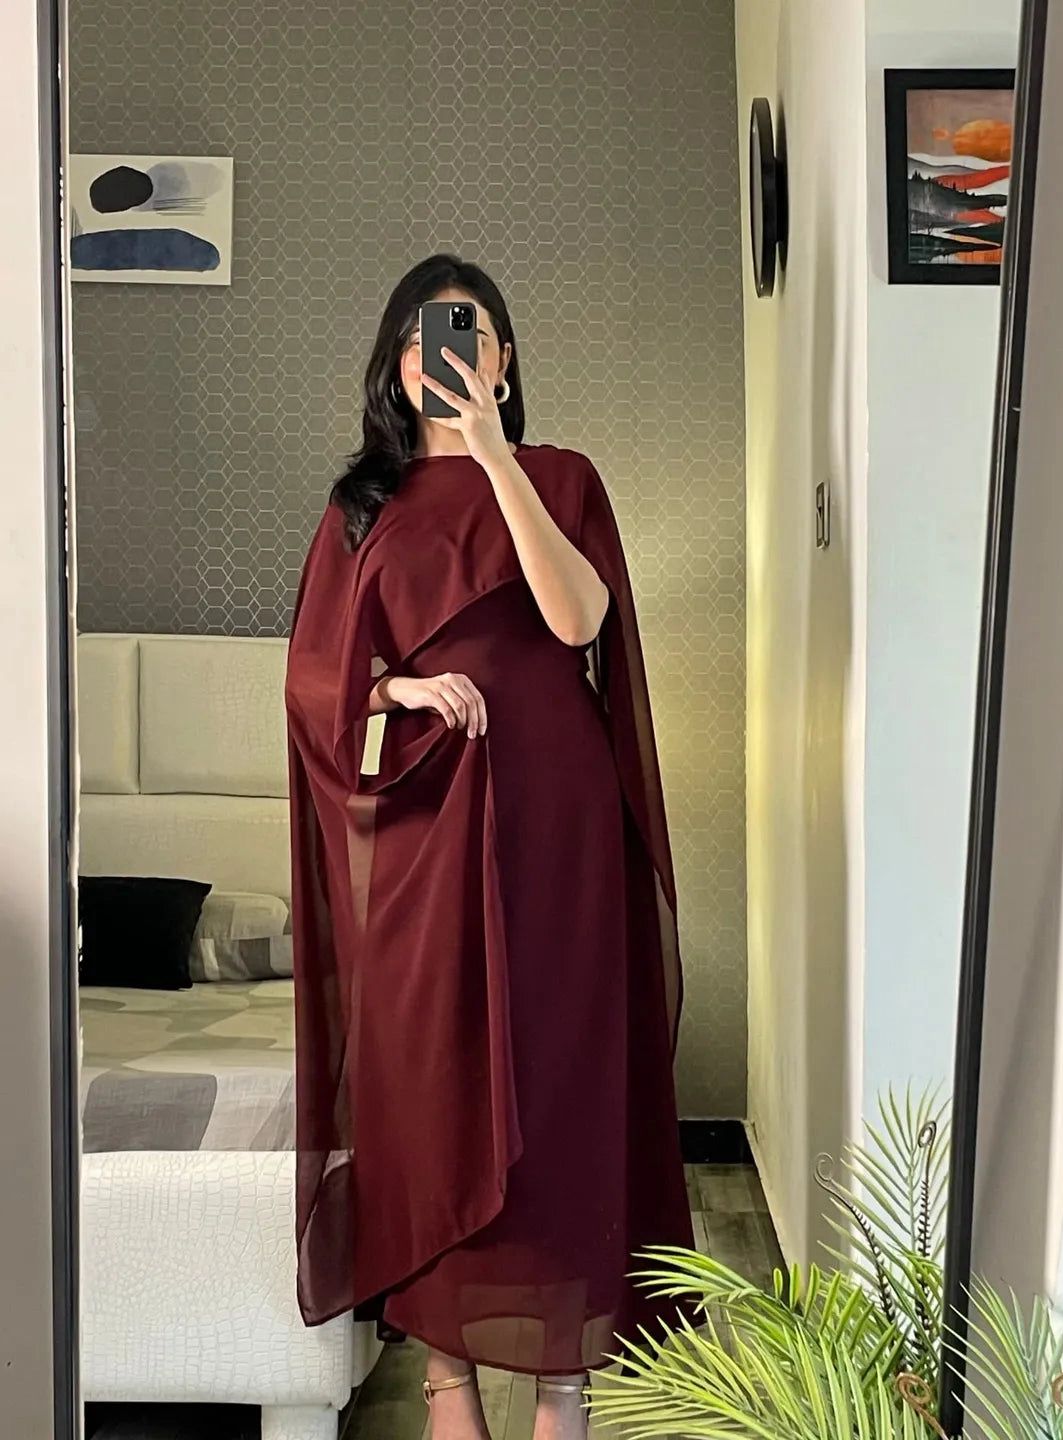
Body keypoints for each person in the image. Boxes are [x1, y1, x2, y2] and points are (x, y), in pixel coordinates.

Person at [284, 253, 694, 1440]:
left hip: (561, 813)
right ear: (395, 364)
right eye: (424, 339)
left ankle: (565, 1385)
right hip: (432, 812)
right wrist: (402, 688)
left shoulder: (562, 476)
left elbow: (577, 620)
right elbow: (316, 679)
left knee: (565, 1081)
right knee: (431, 1082)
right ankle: (449, 1386)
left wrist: (497, 457)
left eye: (470, 335)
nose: (447, 356)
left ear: (503, 360)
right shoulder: (362, 504)